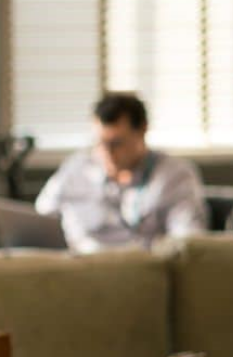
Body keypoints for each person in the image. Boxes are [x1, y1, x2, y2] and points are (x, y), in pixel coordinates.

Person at [33, 91, 209, 251]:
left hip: (139, 267)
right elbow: (40, 218)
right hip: (78, 265)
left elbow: (188, 242)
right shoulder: (77, 167)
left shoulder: (174, 175)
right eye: (100, 143)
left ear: (142, 130)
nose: (107, 153)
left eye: (116, 143)